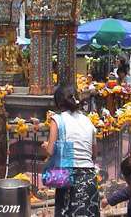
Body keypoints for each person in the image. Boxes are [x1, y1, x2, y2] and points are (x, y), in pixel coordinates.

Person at [42, 85, 99, 216]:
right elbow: (94, 154)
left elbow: (50, 151)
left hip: (67, 178)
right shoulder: (88, 121)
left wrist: (47, 146)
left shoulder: (57, 119)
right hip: (89, 178)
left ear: (59, 102)